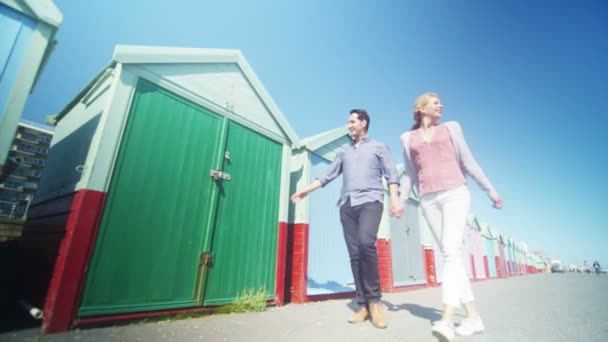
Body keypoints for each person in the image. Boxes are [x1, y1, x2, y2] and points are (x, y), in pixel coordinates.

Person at [399, 93, 503, 341]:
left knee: (450, 252)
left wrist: (491, 191)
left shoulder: (451, 128)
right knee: (450, 254)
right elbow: (410, 173)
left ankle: (446, 319)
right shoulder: (407, 138)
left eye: (441, 102)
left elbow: (468, 162)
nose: (441, 105)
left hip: (455, 192)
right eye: (435, 102)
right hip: (428, 199)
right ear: (421, 107)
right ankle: (473, 317)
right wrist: (400, 200)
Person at [291, 109, 404, 329]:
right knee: (354, 255)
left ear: (364, 122)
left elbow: (391, 174)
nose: (349, 125)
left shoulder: (379, 147)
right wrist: (305, 191)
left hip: (371, 201)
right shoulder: (344, 153)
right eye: (348, 122)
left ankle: (375, 301)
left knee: (365, 244)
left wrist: (395, 200)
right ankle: (362, 303)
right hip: (347, 205)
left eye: (352, 121)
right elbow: (327, 176)